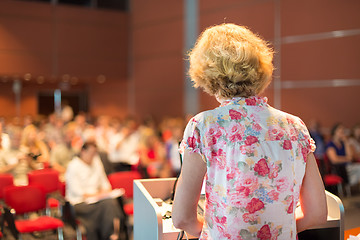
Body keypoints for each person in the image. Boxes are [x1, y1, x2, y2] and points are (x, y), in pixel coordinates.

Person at [172, 23, 327, 239]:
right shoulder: (295, 126)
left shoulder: (204, 126)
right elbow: (318, 214)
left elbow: (181, 218)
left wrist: (215, 231)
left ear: (207, 72)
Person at [65, 141, 122, 240]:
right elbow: (79, 192)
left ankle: (112, 234)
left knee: (112, 202)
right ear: (83, 152)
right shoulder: (73, 166)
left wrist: (104, 193)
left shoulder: (96, 162)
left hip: (98, 200)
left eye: (95, 153)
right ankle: (111, 235)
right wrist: (99, 194)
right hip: (80, 203)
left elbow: (105, 184)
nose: (92, 156)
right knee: (108, 205)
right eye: (90, 153)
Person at [326, 123, 360, 187]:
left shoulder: (343, 143)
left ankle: (350, 185)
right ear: (334, 132)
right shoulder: (330, 144)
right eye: (340, 131)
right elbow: (334, 160)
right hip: (338, 168)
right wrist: (346, 158)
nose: (342, 133)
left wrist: (346, 142)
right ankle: (348, 184)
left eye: (343, 131)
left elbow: (350, 157)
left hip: (347, 167)